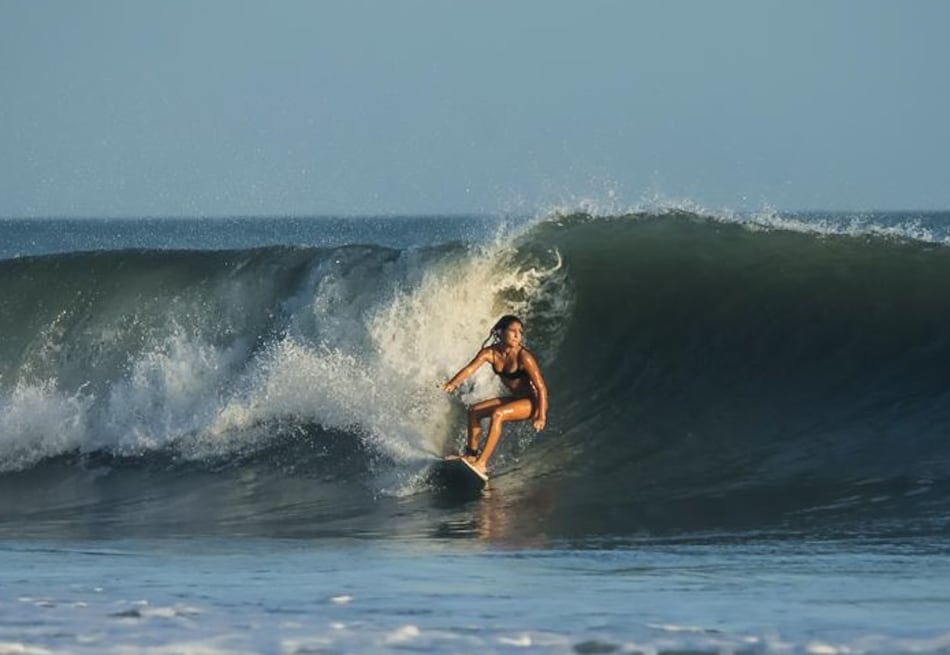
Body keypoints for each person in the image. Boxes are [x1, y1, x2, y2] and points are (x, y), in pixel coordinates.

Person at [442, 315, 549, 476]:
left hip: (533, 402)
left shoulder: (523, 356)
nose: (517, 335)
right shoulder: (490, 353)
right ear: (500, 332)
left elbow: (541, 388)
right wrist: (452, 384)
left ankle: (482, 463)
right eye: (512, 330)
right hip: (517, 399)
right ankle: (471, 455)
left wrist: (541, 416)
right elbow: (470, 369)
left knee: (498, 414)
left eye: (520, 332)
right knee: (474, 411)